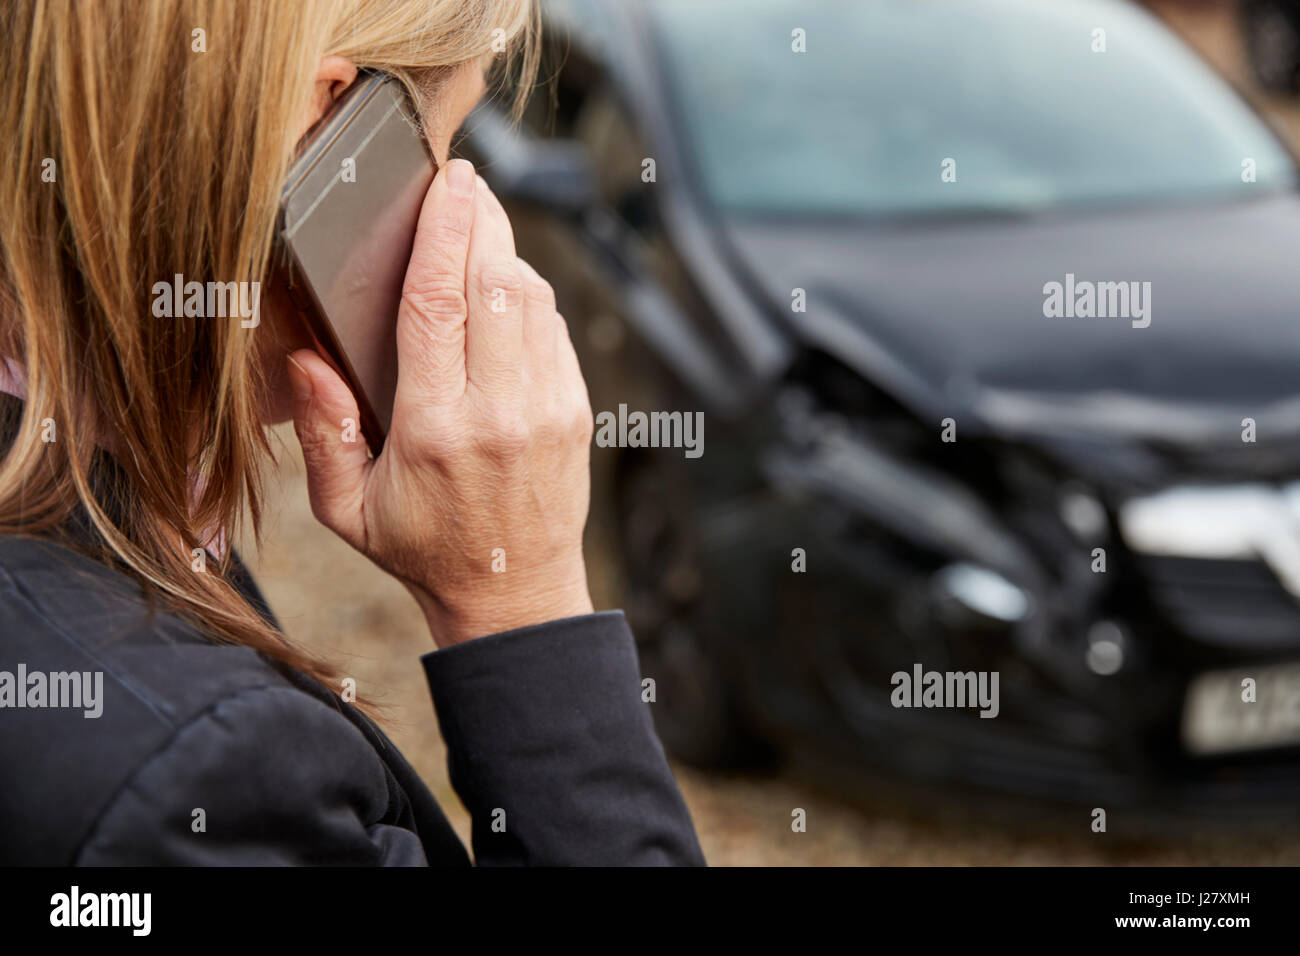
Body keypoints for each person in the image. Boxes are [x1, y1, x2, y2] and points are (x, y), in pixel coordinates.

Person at [0, 0, 705, 865]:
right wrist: (521, 603)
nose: (456, 192)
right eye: (442, 143)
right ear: (318, 121)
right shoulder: (192, 784)